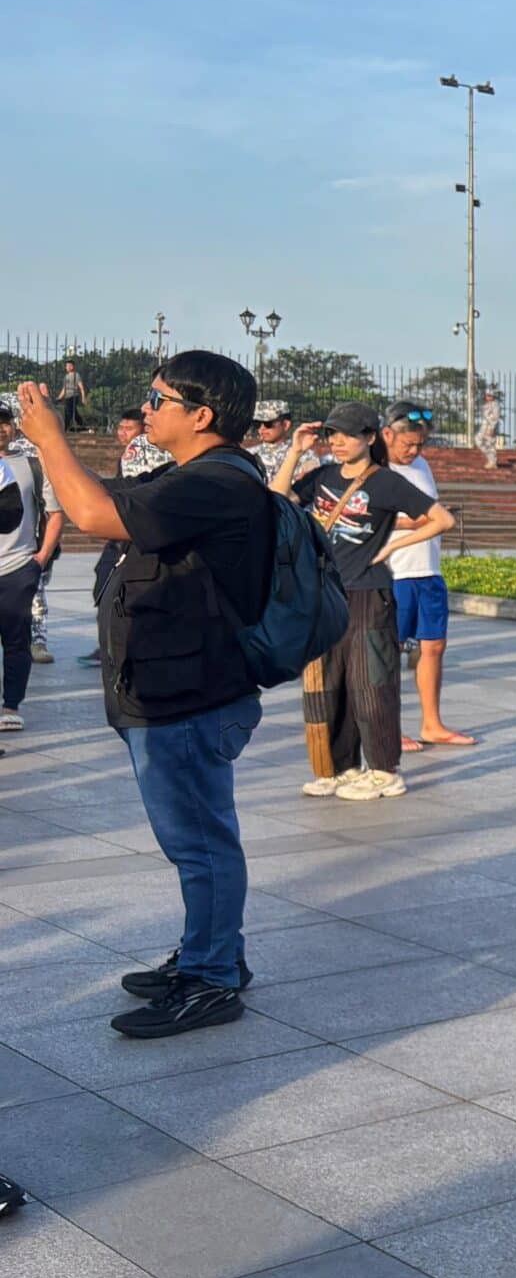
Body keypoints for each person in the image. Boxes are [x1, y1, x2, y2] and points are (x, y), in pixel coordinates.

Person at [16, 354, 271, 1038]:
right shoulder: (197, 478)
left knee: (200, 843)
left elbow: (95, 514)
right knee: (199, 839)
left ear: (202, 416)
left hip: (192, 695)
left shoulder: (218, 482)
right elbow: (101, 499)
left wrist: (48, 437)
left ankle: (212, 979)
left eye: (157, 399)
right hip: (174, 686)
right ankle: (210, 954)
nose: (147, 408)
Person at [278, 402, 454, 801]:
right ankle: (341, 768)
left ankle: (383, 770)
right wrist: (295, 451)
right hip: (326, 595)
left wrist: (393, 546)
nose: (337, 442)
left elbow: (442, 519)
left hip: (367, 592)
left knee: (370, 682)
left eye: (347, 435)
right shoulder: (322, 475)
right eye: (332, 435)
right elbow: (277, 499)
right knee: (328, 684)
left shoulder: (385, 482)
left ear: (370, 437)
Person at [382, 403, 473, 751]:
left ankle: (432, 723)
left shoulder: (421, 465)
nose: (414, 451)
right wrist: (416, 522)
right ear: (387, 434)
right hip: (396, 572)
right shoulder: (376, 469)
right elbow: (366, 519)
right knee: (390, 651)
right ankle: (387, 726)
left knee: (433, 646)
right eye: (408, 444)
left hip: (429, 570)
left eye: (420, 445)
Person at [0, 402, 59, 735]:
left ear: (14, 427)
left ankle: (11, 706)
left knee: (16, 640)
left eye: (5, 421)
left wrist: (40, 559)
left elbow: (55, 514)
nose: (0, 428)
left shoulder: (33, 466)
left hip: (17, 567)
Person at [248, 400, 314, 489]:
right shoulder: (249, 455)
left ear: (286, 425)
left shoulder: (305, 456)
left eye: (268, 424)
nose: (262, 428)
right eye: (257, 424)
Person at [57, 358, 86, 433]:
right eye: (66, 366)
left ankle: (65, 428)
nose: (67, 367)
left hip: (74, 395)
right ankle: (82, 425)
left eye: (69, 366)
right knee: (74, 412)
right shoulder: (66, 377)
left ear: (72, 367)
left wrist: (83, 397)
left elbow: (81, 386)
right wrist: (59, 397)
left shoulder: (76, 375)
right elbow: (64, 388)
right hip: (67, 396)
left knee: (68, 412)